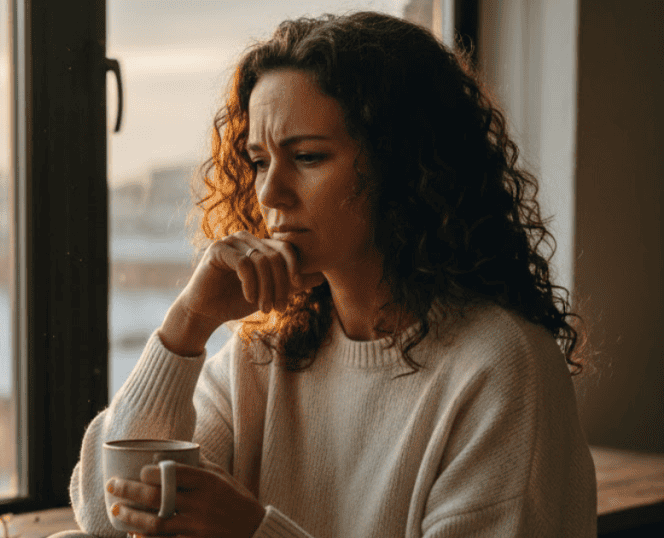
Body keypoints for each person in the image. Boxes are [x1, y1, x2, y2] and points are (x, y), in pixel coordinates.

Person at [67, 11, 597, 538]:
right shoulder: (264, 359)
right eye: (257, 161)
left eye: (308, 156)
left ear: (404, 165)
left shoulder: (500, 368)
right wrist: (188, 323)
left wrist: (253, 531)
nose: (271, 193)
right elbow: (105, 517)